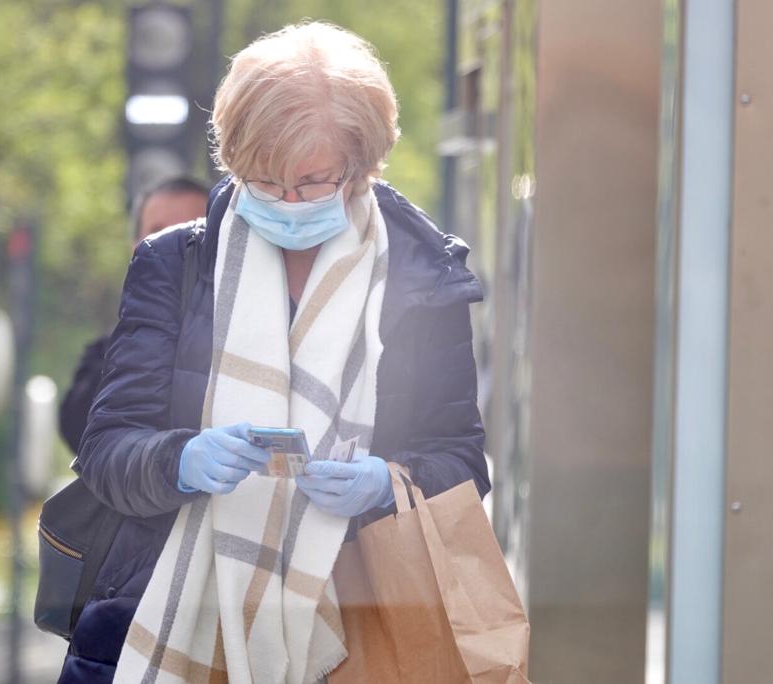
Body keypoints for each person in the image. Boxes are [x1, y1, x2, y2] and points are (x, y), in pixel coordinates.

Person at [58, 22, 489, 683]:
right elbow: (106, 451)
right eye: (264, 180)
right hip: (168, 620)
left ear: (362, 164)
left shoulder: (424, 279)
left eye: (313, 181)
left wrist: (386, 483)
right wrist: (182, 460)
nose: (288, 203)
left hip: (361, 630)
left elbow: (462, 464)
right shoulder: (174, 265)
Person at [57, 176, 210, 455]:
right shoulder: (110, 352)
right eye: (158, 235)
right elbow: (81, 431)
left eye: (189, 233)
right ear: (135, 248)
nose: (172, 249)